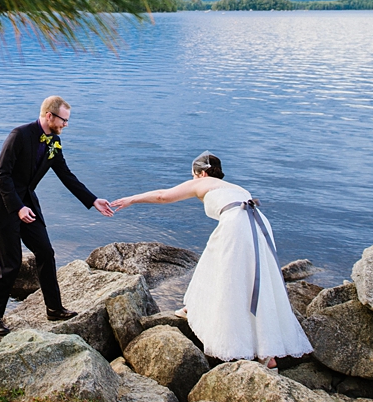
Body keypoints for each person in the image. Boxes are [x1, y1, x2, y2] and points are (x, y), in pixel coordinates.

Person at [111, 152, 312, 365]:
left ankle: (199, 312)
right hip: (259, 224)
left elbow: (164, 195)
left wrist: (132, 199)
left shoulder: (203, 182)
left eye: (193, 174)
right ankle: (267, 355)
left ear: (202, 172)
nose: (193, 178)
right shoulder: (236, 187)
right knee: (253, 279)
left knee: (220, 268)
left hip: (237, 224)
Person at [0, 96, 115, 336]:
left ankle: (54, 308)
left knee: (45, 252)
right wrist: (18, 207)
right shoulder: (18, 135)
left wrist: (93, 200)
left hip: (27, 203)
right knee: (11, 263)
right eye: (64, 120)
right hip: (4, 204)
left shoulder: (54, 142)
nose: (66, 125)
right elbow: (2, 176)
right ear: (50, 116)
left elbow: (66, 175)